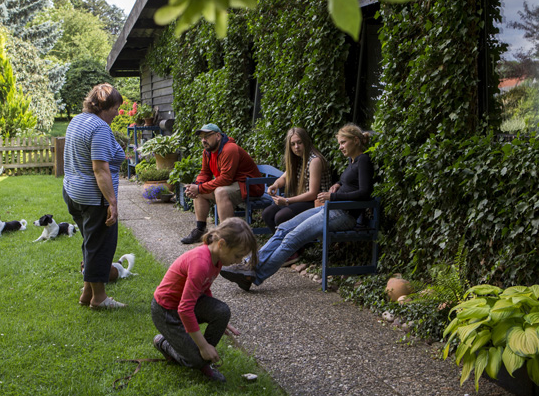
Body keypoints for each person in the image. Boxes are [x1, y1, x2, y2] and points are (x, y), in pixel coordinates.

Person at [219, 123, 373, 291]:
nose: (340, 147)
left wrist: (333, 196)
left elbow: (365, 192)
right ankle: (248, 264)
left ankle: (255, 275)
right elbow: (349, 183)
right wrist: (337, 184)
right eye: (340, 143)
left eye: (343, 142)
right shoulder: (353, 161)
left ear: (356, 140)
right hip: (330, 209)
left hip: (343, 215)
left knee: (293, 238)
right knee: (284, 228)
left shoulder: (363, 160)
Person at [152, 217, 257, 382]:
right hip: (166, 311)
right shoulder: (200, 262)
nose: (238, 261)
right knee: (193, 360)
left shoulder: (217, 258)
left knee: (222, 312)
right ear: (221, 244)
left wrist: (214, 315)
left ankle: (205, 361)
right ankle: (164, 343)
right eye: (237, 256)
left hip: (183, 305)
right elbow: (184, 310)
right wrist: (203, 345)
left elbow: (204, 288)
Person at [62, 83, 127, 309]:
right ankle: (99, 299)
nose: (118, 113)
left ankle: (86, 293)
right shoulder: (99, 128)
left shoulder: (77, 120)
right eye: (116, 108)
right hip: (93, 198)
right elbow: (100, 169)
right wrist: (112, 202)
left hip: (73, 193)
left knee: (91, 243)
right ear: (104, 106)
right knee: (101, 246)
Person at [180, 123, 264, 244]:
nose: (204, 140)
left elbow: (226, 179)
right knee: (200, 192)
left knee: (220, 191)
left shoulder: (230, 149)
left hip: (250, 186)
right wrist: (196, 186)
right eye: (202, 137)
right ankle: (200, 230)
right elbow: (204, 173)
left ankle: (227, 236)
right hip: (233, 184)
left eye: (207, 136)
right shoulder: (207, 152)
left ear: (218, 136)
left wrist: (199, 188)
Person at [262, 127, 333, 234]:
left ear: (306, 141)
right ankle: (291, 249)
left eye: (299, 143)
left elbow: (313, 194)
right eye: (293, 144)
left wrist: (286, 201)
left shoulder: (315, 160)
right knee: (267, 213)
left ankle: (295, 246)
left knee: (281, 216)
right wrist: (275, 185)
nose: (296, 147)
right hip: (303, 200)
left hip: (316, 203)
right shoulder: (296, 158)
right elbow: (284, 177)